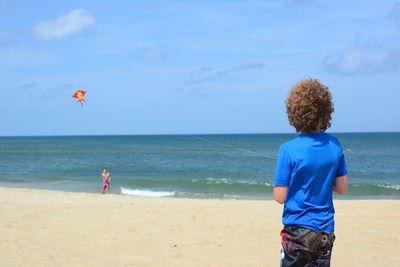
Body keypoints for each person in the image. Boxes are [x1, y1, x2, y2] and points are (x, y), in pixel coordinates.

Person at [274, 79, 348, 266]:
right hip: (324, 229)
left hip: (296, 230)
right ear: (326, 112)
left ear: (294, 113)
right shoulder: (335, 145)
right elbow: (342, 188)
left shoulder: (288, 149)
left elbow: (280, 196)